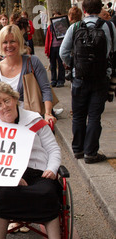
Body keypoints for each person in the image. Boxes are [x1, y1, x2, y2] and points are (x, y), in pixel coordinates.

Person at [0, 80, 63, 239]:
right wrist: (11, 174)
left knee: (48, 192)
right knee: (4, 193)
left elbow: (53, 149)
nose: (4, 107)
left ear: (15, 100)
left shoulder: (34, 119)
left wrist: (52, 169)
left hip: (38, 171)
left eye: (7, 100)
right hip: (8, 173)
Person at [60, 0, 116, 164]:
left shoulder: (75, 27)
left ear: (83, 10)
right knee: (94, 116)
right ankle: (91, 152)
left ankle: (78, 149)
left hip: (79, 78)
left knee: (78, 115)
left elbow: (63, 52)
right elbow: (113, 51)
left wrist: (74, 64)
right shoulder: (110, 27)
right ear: (100, 9)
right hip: (100, 78)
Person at [0, 25, 57, 125]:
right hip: (7, 123)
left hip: (32, 120)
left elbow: (46, 89)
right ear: (0, 44)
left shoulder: (33, 62)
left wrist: (48, 113)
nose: (9, 46)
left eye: (12, 41)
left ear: (20, 42)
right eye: (5, 42)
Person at [45, 13, 66, 88]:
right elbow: (47, 39)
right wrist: (47, 50)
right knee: (53, 65)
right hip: (52, 47)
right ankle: (53, 80)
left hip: (61, 47)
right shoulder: (50, 28)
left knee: (61, 64)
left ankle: (61, 80)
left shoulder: (63, 26)